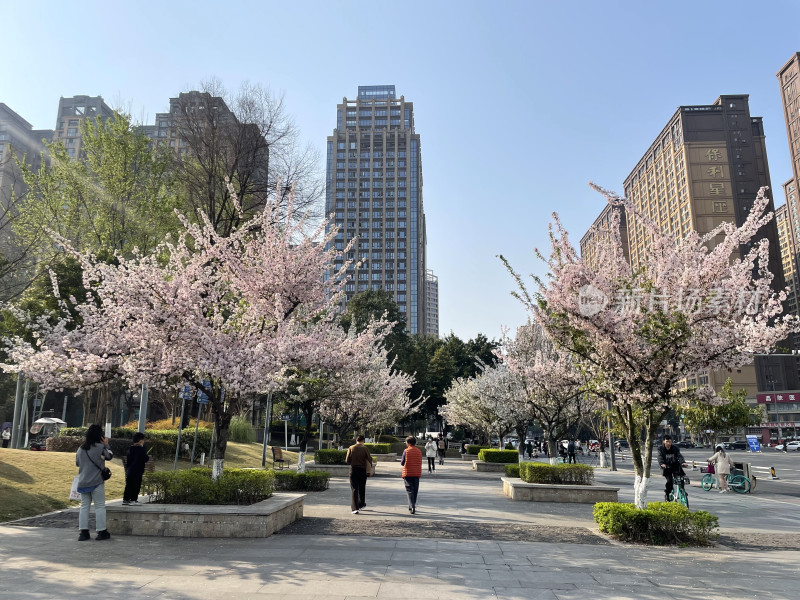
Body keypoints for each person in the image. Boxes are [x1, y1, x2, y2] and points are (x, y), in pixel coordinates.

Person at [75, 424, 113, 540]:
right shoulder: (100, 447)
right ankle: (101, 531)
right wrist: (106, 444)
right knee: (100, 506)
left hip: (83, 481)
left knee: (84, 506)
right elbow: (110, 456)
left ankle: (83, 532)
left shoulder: (81, 448)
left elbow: (77, 463)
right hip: (96, 481)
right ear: (100, 436)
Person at [345, 434, 373, 514]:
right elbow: (369, 459)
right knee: (362, 487)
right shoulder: (365, 448)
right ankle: (362, 504)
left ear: (356, 440)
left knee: (354, 489)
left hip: (353, 470)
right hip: (362, 470)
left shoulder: (351, 448)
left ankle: (354, 508)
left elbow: (347, 460)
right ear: (363, 441)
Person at [658, 435, 688, 502]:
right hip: (666, 467)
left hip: (675, 466)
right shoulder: (661, 449)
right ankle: (668, 493)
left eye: (670, 442)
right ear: (664, 441)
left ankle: (682, 490)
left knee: (682, 477)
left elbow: (679, 456)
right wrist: (662, 464)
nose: (668, 443)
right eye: (667, 441)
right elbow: (660, 457)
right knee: (670, 481)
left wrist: (683, 462)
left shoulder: (675, 448)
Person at [122, 432, 150, 505]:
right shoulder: (141, 449)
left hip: (130, 471)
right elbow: (146, 458)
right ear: (140, 441)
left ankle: (126, 499)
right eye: (143, 440)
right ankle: (133, 500)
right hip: (138, 470)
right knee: (136, 485)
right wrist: (143, 449)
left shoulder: (130, 448)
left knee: (129, 485)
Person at [400, 436, 422, 514]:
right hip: (416, 473)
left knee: (409, 490)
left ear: (408, 443)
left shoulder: (406, 451)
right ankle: (413, 504)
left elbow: (402, 462)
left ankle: (412, 505)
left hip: (408, 473)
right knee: (415, 490)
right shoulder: (419, 451)